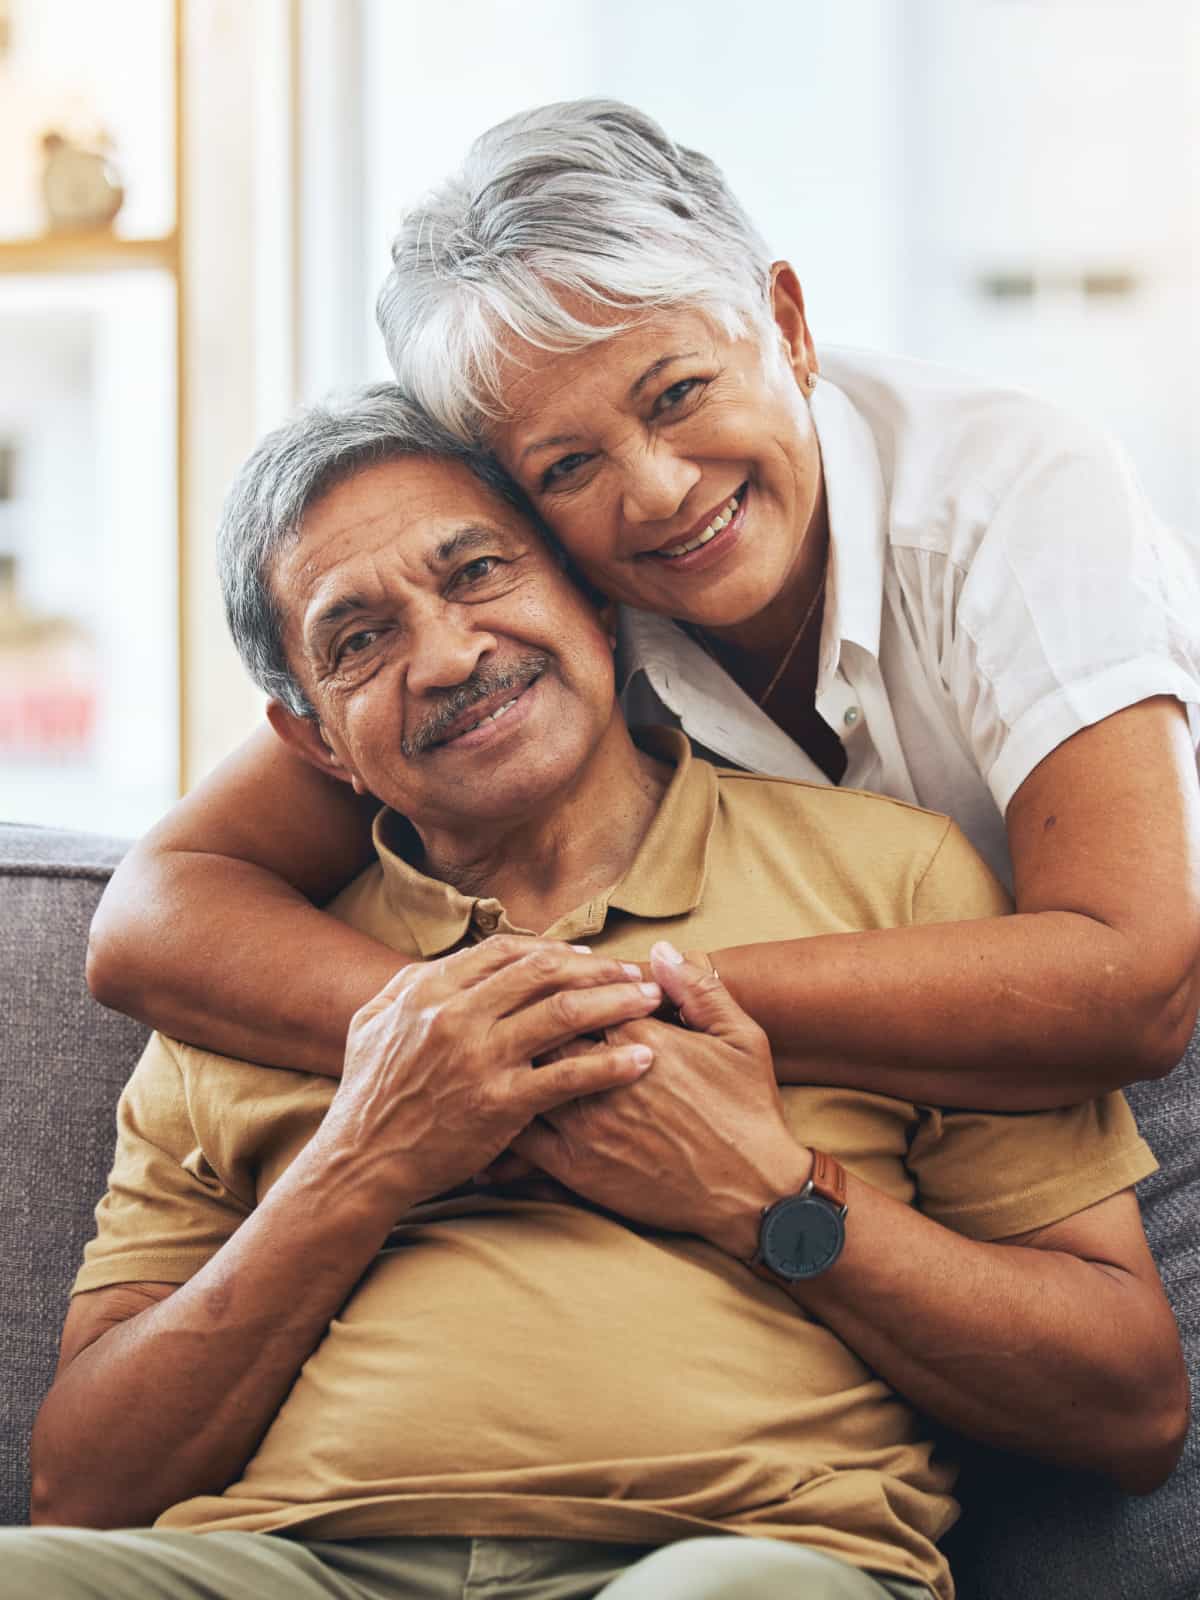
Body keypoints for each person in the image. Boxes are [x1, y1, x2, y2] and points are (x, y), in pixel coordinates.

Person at [14, 390, 1187, 1600]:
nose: (451, 653)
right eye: (358, 639)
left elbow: (1130, 1404)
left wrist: (770, 1198)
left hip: (734, 1567)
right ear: (313, 740)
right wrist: (360, 1162)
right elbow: (82, 1490)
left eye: (478, 571)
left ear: (596, 599)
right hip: (286, 1566)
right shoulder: (251, 979)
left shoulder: (894, 879)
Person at [87, 100, 1200, 1111]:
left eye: (679, 394)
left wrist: (608, 1002)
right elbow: (151, 919)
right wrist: (464, 1039)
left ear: (789, 326)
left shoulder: (1016, 491)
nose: (658, 492)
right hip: (848, 1085)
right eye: (567, 466)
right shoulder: (536, 611)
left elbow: (1141, 983)